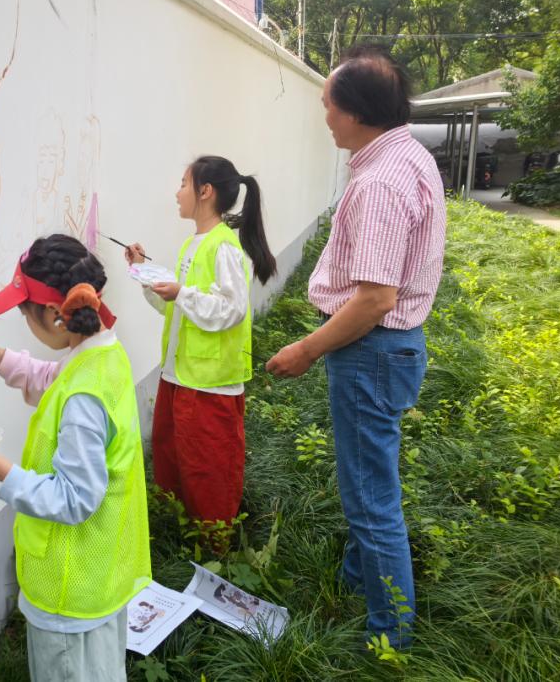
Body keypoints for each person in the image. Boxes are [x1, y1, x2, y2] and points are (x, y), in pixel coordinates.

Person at [266, 46, 446, 647]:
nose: (324, 117)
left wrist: (307, 349)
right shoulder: (407, 155)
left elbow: (374, 300)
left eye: (327, 105)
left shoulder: (380, 183)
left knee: (371, 498)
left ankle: (390, 637)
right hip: (389, 349)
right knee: (368, 482)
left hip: (371, 349)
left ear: (356, 112)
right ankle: (356, 581)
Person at [0, 234, 151, 682]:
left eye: (25, 312)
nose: (24, 320)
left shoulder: (83, 397)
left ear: (56, 314)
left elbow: (75, 498)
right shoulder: (102, 356)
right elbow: (51, 379)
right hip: (98, 575)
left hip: (68, 591)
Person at [125, 156, 277, 526]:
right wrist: (144, 273)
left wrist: (181, 293)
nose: (177, 192)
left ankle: (214, 543)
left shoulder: (223, 247)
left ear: (205, 191)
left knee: (208, 471)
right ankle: (180, 534)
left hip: (210, 384)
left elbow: (232, 309)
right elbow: (178, 309)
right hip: (180, 376)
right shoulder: (193, 244)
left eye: (183, 183)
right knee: (174, 460)